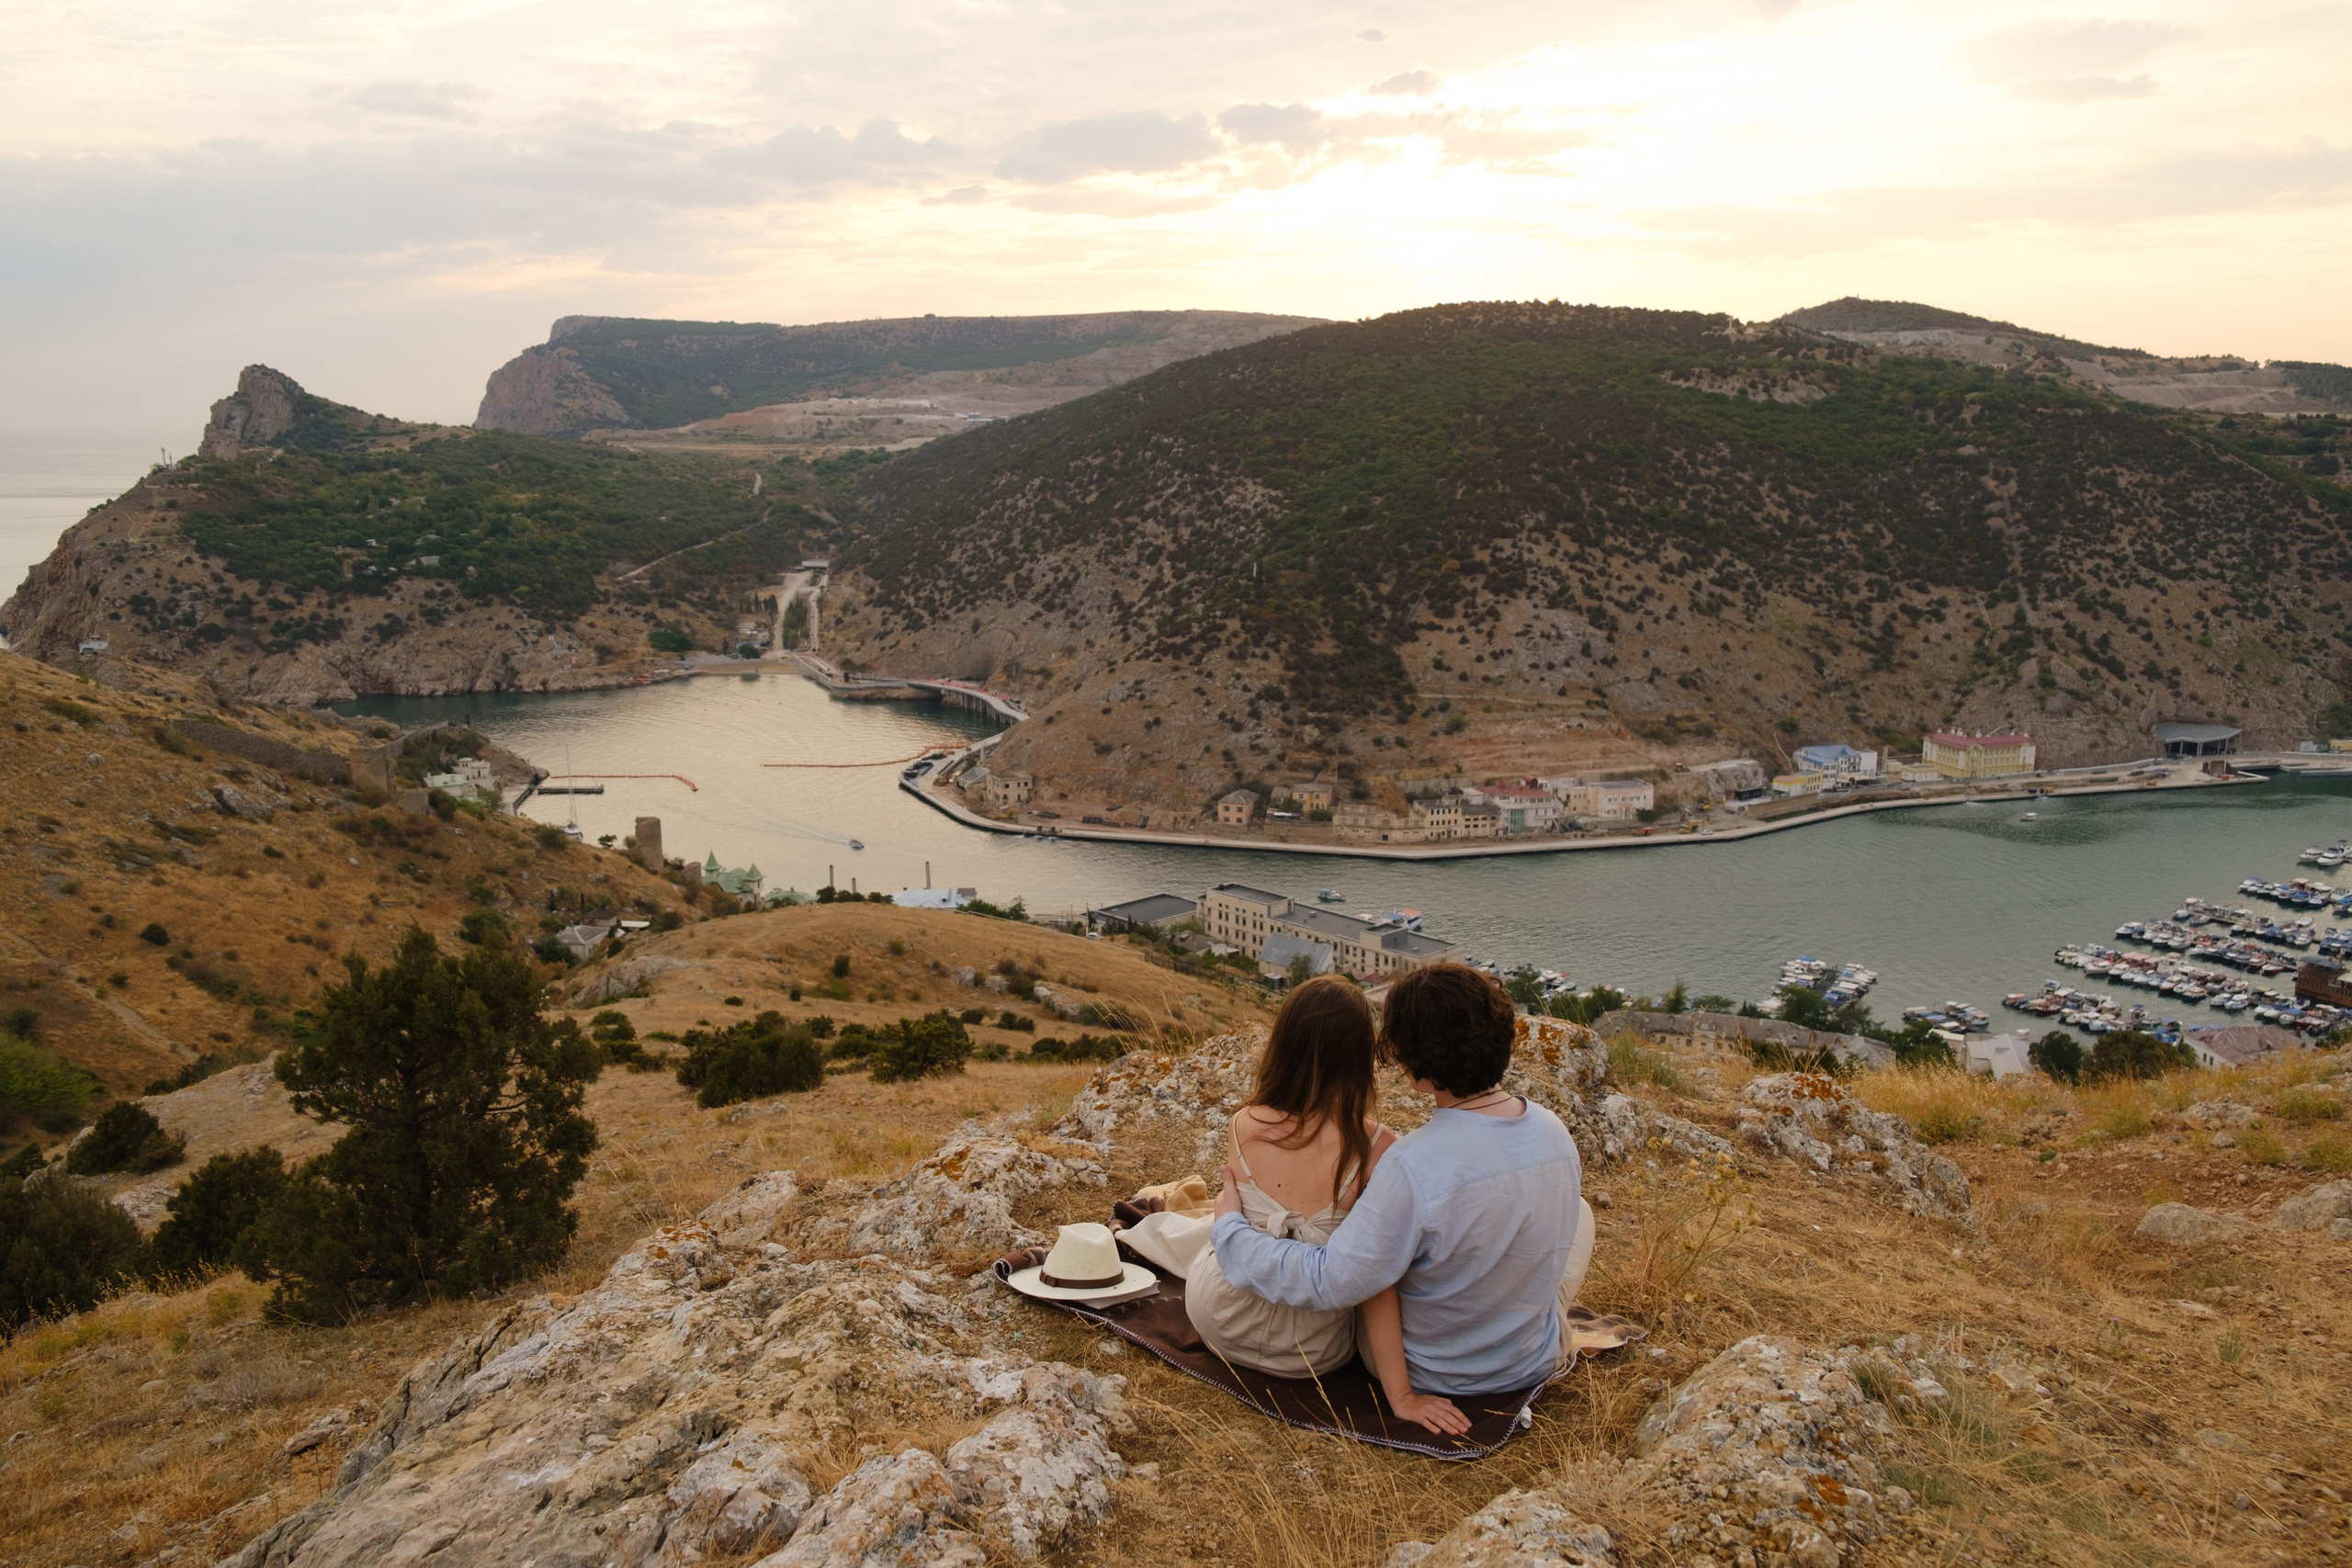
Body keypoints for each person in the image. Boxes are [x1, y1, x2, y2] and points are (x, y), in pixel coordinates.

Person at [1210, 962, 1591, 1435]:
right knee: (1581, 1214)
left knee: (1389, 1254)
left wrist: (1230, 1231)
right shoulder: (1555, 1132)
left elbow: (1331, 1280)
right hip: (1530, 1360)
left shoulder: (1411, 1165)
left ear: (1412, 1063)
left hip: (1436, 1372)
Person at [1117, 975, 1408, 1380]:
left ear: (1285, 1044)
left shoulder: (1245, 1125)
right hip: (1314, 1352)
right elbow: (1376, 1272)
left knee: (1223, 1220)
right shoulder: (1379, 1146)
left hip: (1218, 1320)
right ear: (1358, 1057)